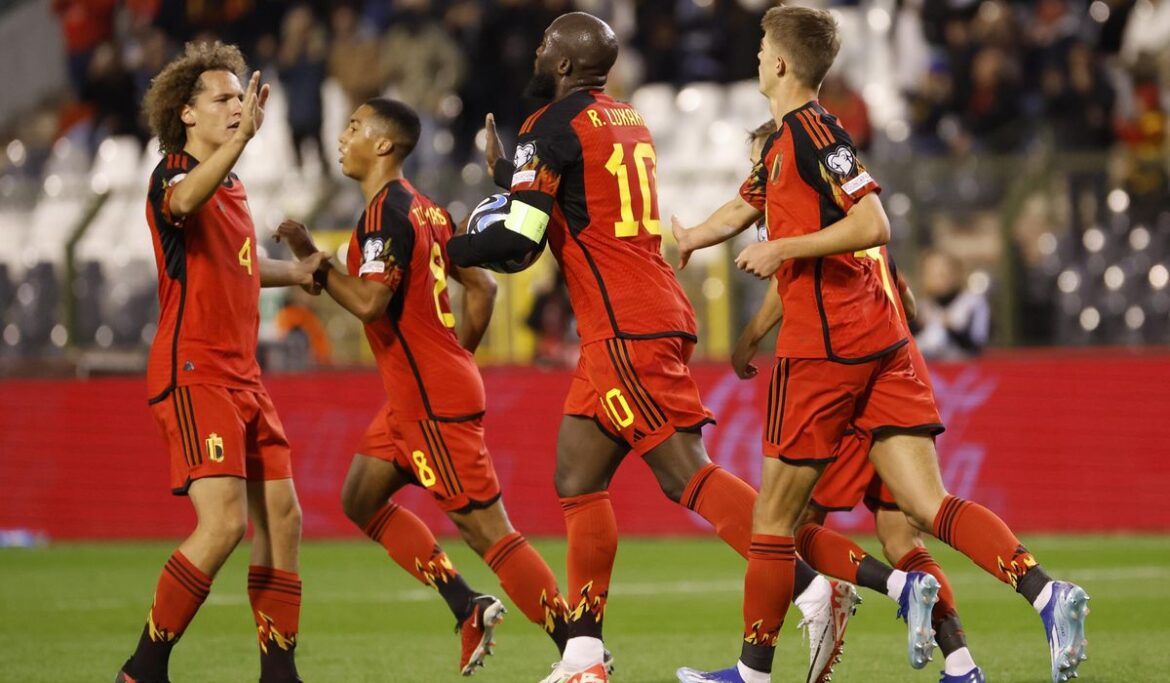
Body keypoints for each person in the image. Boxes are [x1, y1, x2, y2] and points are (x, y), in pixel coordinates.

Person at [672, 7, 1088, 683]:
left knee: (773, 520)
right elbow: (743, 206)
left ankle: (751, 675)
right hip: (882, 345)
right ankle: (1045, 592)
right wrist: (691, 237)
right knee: (923, 510)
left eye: (759, 49)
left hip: (826, 350)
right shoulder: (783, 145)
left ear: (780, 64)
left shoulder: (814, 132)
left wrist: (783, 250)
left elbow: (874, 221)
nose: (753, 59)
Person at [446, 13, 851, 683]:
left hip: (625, 325)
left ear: (570, 63)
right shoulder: (626, 118)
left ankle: (810, 581)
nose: (538, 50)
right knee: (577, 476)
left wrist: (447, 246)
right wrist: (509, 175)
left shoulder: (547, 126)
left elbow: (519, 241)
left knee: (683, 472)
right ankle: (583, 654)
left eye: (548, 43)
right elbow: (576, 200)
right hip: (639, 311)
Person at [274, 98, 571, 676]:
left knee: (490, 534)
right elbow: (481, 287)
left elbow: (369, 302)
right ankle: (466, 605)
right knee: (359, 498)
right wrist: (455, 355)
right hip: (416, 398)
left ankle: (578, 646)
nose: (343, 136)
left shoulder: (386, 214)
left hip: (431, 400)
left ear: (383, 145)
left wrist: (318, 261)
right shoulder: (427, 211)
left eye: (355, 127)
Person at [728, 120, 979, 680]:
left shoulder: (812, 225)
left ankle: (853, 611)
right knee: (900, 533)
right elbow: (908, 304)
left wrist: (747, 339)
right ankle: (960, 660)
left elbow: (786, 287)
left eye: (761, 163)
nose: (759, 176)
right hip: (898, 372)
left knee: (786, 527)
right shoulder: (852, 220)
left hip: (847, 382)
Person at [117, 41, 329, 683]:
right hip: (193, 372)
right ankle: (143, 668)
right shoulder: (171, 174)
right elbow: (182, 206)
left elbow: (236, 267)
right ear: (186, 113)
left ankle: (278, 672)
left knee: (284, 517)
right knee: (225, 525)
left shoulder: (230, 185)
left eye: (240, 97)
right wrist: (241, 145)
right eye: (223, 98)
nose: (236, 107)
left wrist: (295, 271)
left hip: (244, 377)